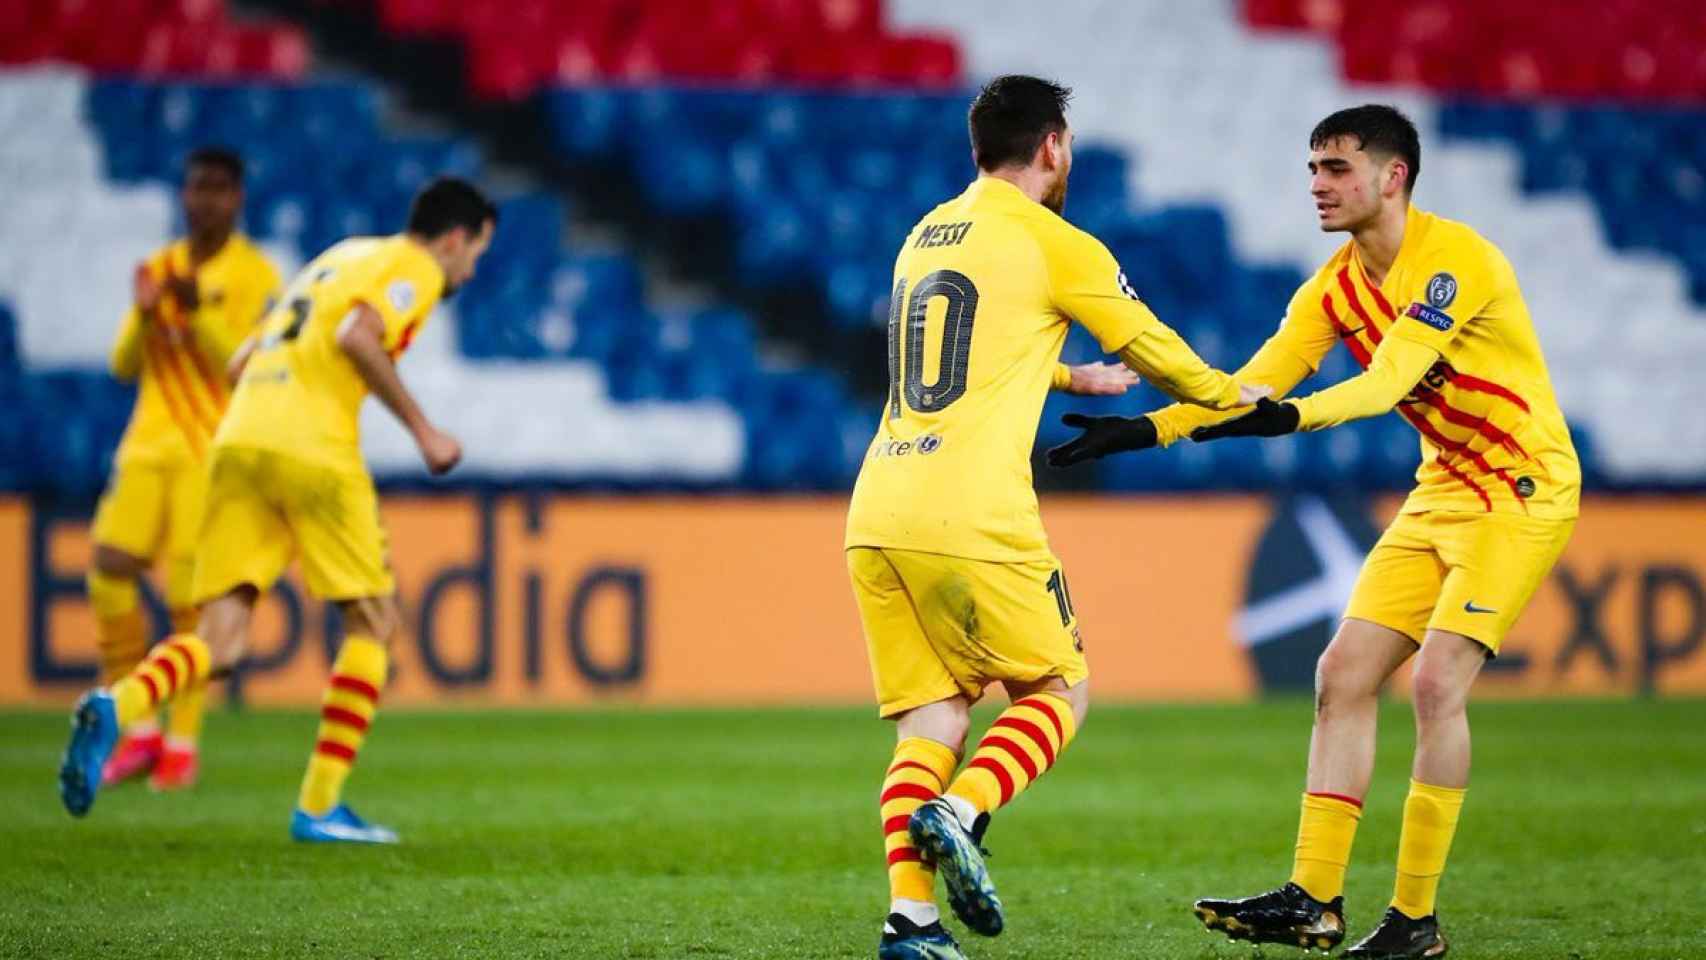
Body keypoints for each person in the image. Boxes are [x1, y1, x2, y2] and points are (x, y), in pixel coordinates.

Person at [1049, 105, 1579, 959]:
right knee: (1342, 674)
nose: (1317, 185)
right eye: (1312, 169)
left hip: (1522, 489)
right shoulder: (1334, 283)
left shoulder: (1456, 262)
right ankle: (1314, 899)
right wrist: (1149, 429)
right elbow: (1253, 383)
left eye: (1335, 168)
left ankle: (1415, 921)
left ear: (1392, 175)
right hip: (1444, 484)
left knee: (1439, 684)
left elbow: (1382, 386)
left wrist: (1287, 418)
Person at [846, 74, 1266, 960]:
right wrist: (1232, 398)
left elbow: (964, 352)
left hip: (879, 507)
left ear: (977, 151)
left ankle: (911, 924)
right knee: (1059, 690)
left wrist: (1070, 377)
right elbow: (1153, 346)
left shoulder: (924, 235)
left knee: (933, 722)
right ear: (1053, 147)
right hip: (971, 509)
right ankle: (958, 813)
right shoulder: (1055, 240)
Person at [58, 177, 497, 844]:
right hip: (313, 446)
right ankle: (319, 807)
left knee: (220, 639)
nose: (472, 269)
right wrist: (425, 431)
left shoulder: (340, 256)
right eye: (476, 254)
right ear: (456, 238)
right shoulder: (415, 266)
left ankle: (118, 706)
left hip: (240, 438)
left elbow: (239, 361)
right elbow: (358, 335)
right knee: (374, 623)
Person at [90, 146, 281, 791]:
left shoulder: (255, 275)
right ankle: (139, 731)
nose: (207, 200)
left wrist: (197, 314)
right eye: (197, 188)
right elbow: (122, 364)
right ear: (183, 194)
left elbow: (250, 366)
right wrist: (145, 314)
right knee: (108, 572)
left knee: (187, 604)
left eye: (220, 189)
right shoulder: (159, 267)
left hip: (208, 451)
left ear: (239, 199)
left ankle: (182, 743)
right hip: (146, 444)